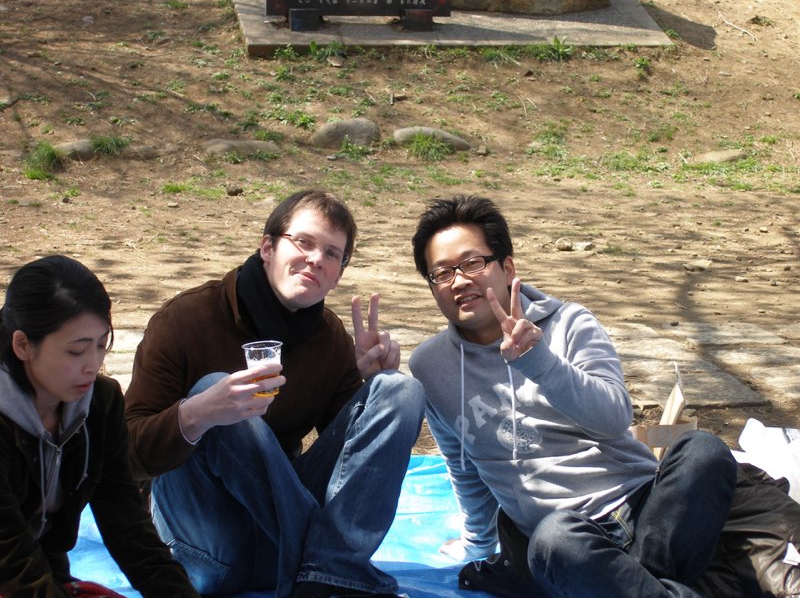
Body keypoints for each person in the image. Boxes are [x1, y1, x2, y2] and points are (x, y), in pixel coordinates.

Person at [408, 195, 738, 597]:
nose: (459, 281)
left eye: (473, 263)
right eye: (441, 273)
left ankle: (627, 583)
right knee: (555, 538)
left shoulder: (570, 322)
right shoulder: (430, 366)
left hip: (645, 510)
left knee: (704, 449)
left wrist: (539, 361)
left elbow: (614, 418)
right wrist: (476, 544)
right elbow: (463, 466)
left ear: (507, 268)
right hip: (566, 541)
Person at [124, 189, 425, 598]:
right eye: (303, 242)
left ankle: (328, 570)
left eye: (332, 253)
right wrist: (197, 414)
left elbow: (349, 463)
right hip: (206, 548)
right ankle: (333, 569)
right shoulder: (186, 320)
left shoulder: (329, 338)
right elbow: (127, 457)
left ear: (337, 275)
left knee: (400, 390)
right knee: (219, 389)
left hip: (281, 550)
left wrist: (370, 386)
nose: (316, 259)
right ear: (267, 247)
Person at [0, 255, 199, 598]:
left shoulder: (100, 404)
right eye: (76, 351)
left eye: (101, 345)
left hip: (42, 570)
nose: (93, 366)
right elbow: (11, 560)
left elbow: (127, 522)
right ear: (23, 345)